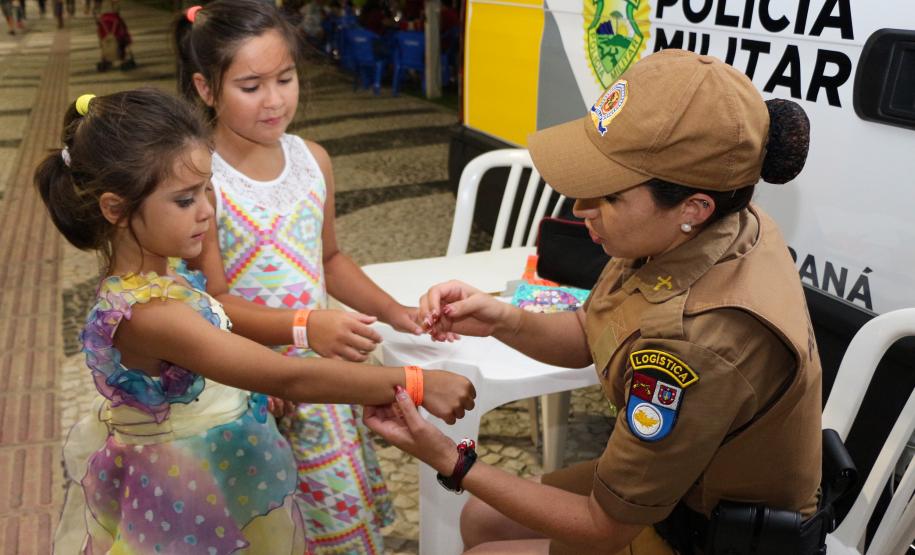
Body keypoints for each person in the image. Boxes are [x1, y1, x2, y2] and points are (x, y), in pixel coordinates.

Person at [366, 48, 827, 554]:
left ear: (693, 207)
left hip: (711, 537)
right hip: (683, 491)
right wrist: (502, 319)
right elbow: (592, 332)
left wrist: (449, 459)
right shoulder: (701, 229)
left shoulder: (695, 340)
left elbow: (602, 527)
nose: (580, 207)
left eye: (609, 194)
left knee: (484, 548)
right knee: (483, 517)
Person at [38, 89, 476, 554]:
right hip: (188, 497)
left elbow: (207, 361)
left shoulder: (165, 278)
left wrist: (244, 392)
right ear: (115, 209)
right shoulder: (148, 314)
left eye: (206, 190)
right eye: (185, 200)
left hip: (216, 469)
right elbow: (292, 375)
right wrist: (417, 382)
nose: (207, 210)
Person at [174, 2, 423, 552]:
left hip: (321, 380)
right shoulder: (202, 179)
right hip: (247, 383)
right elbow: (211, 300)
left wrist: (395, 311)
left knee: (334, 514)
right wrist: (304, 328)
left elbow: (330, 259)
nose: (274, 100)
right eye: (251, 86)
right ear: (206, 88)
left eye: (285, 79)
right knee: (268, 521)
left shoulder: (314, 160)